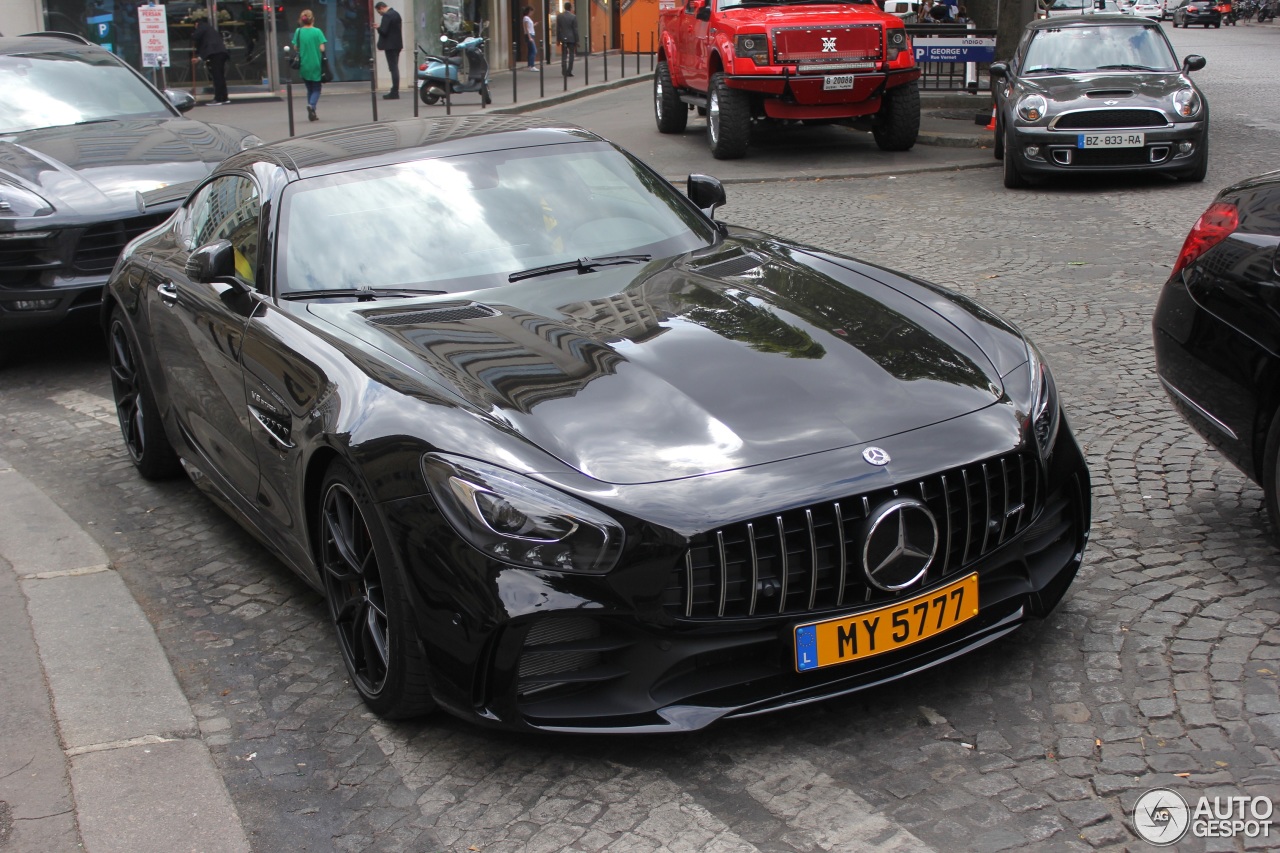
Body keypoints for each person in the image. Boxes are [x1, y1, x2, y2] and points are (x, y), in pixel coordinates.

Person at [292, 9, 327, 122]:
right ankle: (311, 106)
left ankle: (312, 112)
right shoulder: (317, 31)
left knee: (309, 88)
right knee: (317, 88)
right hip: (316, 63)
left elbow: (296, 47)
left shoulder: (298, 31)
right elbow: (322, 48)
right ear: (313, 20)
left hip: (304, 64)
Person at [192, 13, 230, 105]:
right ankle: (224, 97)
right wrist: (200, 57)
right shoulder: (209, 28)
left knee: (217, 77)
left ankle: (218, 98)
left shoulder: (202, 27)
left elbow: (196, 37)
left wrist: (199, 57)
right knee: (220, 76)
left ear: (196, 23)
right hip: (220, 53)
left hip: (216, 54)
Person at [373, 2, 403, 99]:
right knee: (395, 67)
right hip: (397, 44)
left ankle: (394, 91)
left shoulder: (387, 16)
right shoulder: (396, 14)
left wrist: (378, 28)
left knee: (393, 68)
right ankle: (395, 90)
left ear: (381, 8)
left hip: (390, 46)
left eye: (379, 12)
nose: (379, 14)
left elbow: (384, 31)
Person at [556, 2, 578, 77]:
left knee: (564, 55)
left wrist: (558, 39)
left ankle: (564, 71)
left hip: (563, 38)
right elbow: (575, 30)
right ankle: (569, 71)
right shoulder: (573, 17)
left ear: (564, 7)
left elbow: (558, 29)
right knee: (571, 55)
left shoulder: (559, 16)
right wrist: (577, 40)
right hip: (571, 38)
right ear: (570, 8)